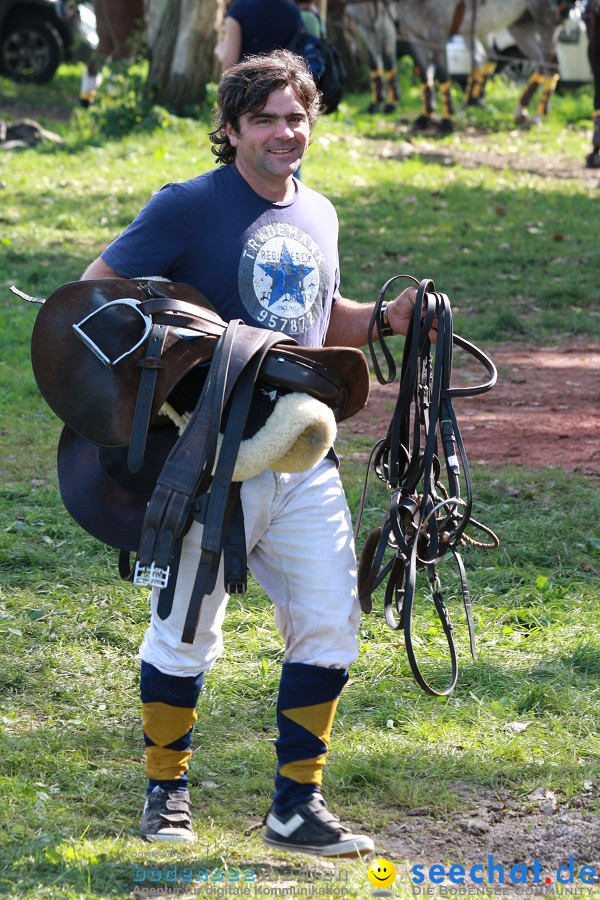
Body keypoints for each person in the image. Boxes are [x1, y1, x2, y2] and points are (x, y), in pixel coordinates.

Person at [81, 49, 419, 858]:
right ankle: (166, 796)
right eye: (264, 118)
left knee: (330, 626)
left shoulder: (321, 213)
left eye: (296, 117)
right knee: (186, 634)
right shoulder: (187, 206)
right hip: (211, 457)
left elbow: (317, 315)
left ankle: (296, 808)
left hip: (307, 449)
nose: (284, 132)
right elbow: (98, 298)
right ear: (230, 127)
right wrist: (184, 367)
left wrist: (394, 318)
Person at [216, 0, 303, 68]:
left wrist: (221, 51)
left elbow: (230, 62)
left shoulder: (238, 9)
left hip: (247, 83)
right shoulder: (293, 10)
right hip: (282, 83)